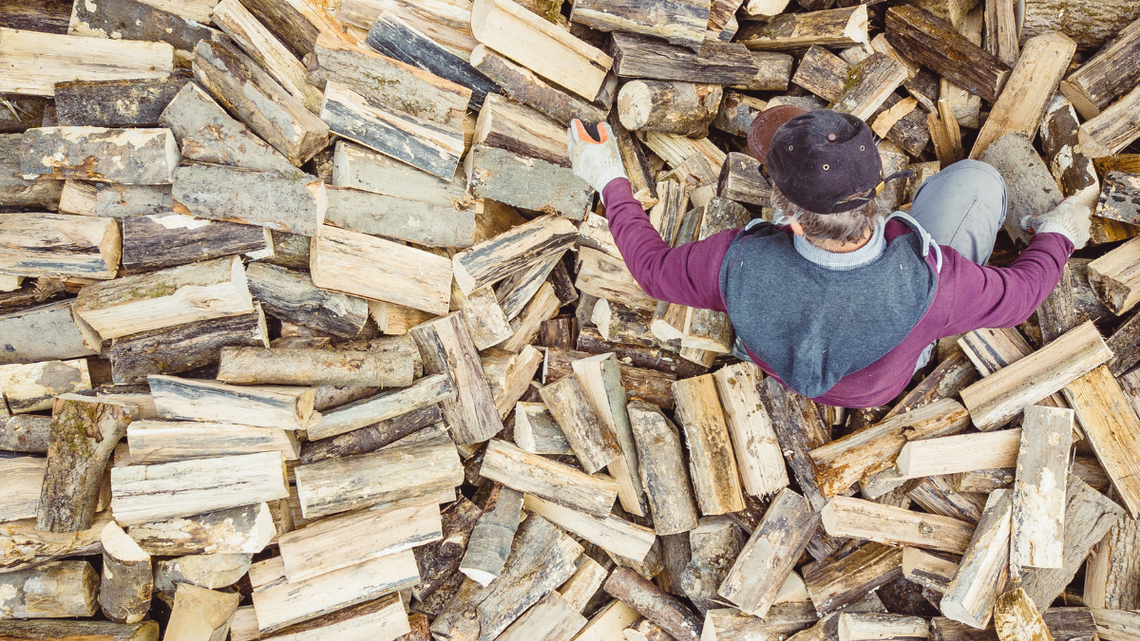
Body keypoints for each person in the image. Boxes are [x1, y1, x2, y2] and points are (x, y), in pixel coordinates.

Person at [565, 107, 1091, 408]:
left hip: (778, 360)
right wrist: (1060, 234)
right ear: (877, 191)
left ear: (787, 217)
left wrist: (610, 177)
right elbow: (1022, 296)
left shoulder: (732, 264)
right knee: (979, 181)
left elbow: (652, 271)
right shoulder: (933, 284)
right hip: (878, 387)